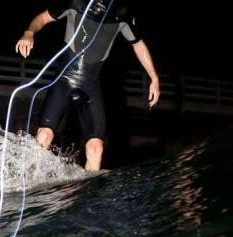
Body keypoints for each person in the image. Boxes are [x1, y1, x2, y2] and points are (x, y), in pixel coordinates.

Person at [15, 0, 160, 171]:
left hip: (91, 86)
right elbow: (43, 18)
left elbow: (138, 45)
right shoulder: (76, 3)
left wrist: (154, 78)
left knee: (96, 148)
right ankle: (27, 180)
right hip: (64, 81)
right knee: (45, 135)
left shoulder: (122, 13)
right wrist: (29, 32)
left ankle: (89, 194)